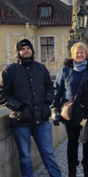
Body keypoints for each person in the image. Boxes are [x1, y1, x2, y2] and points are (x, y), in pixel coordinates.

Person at [0, 39, 62, 177]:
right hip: (20, 121)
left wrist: (47, 103)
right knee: (25, 156)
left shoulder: (40, 68)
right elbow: (2, 95)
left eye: (28, 48)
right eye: (23, 49)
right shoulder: (10, 70)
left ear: (32, 51)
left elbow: (50, 88)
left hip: (41, 120)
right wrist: (19, 106)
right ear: (18, 52)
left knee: (48, 153)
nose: (26, 50)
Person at [52, 42, 88, 176]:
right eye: (77, 53)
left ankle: (87, 170)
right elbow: (57, 89)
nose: (80, 55)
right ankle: (72, 171)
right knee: (72, 143)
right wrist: (54, 108)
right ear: (72, 55)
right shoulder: (65, 70)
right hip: (70, 113)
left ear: (86, 54)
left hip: (87, 113)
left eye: (82, 52)